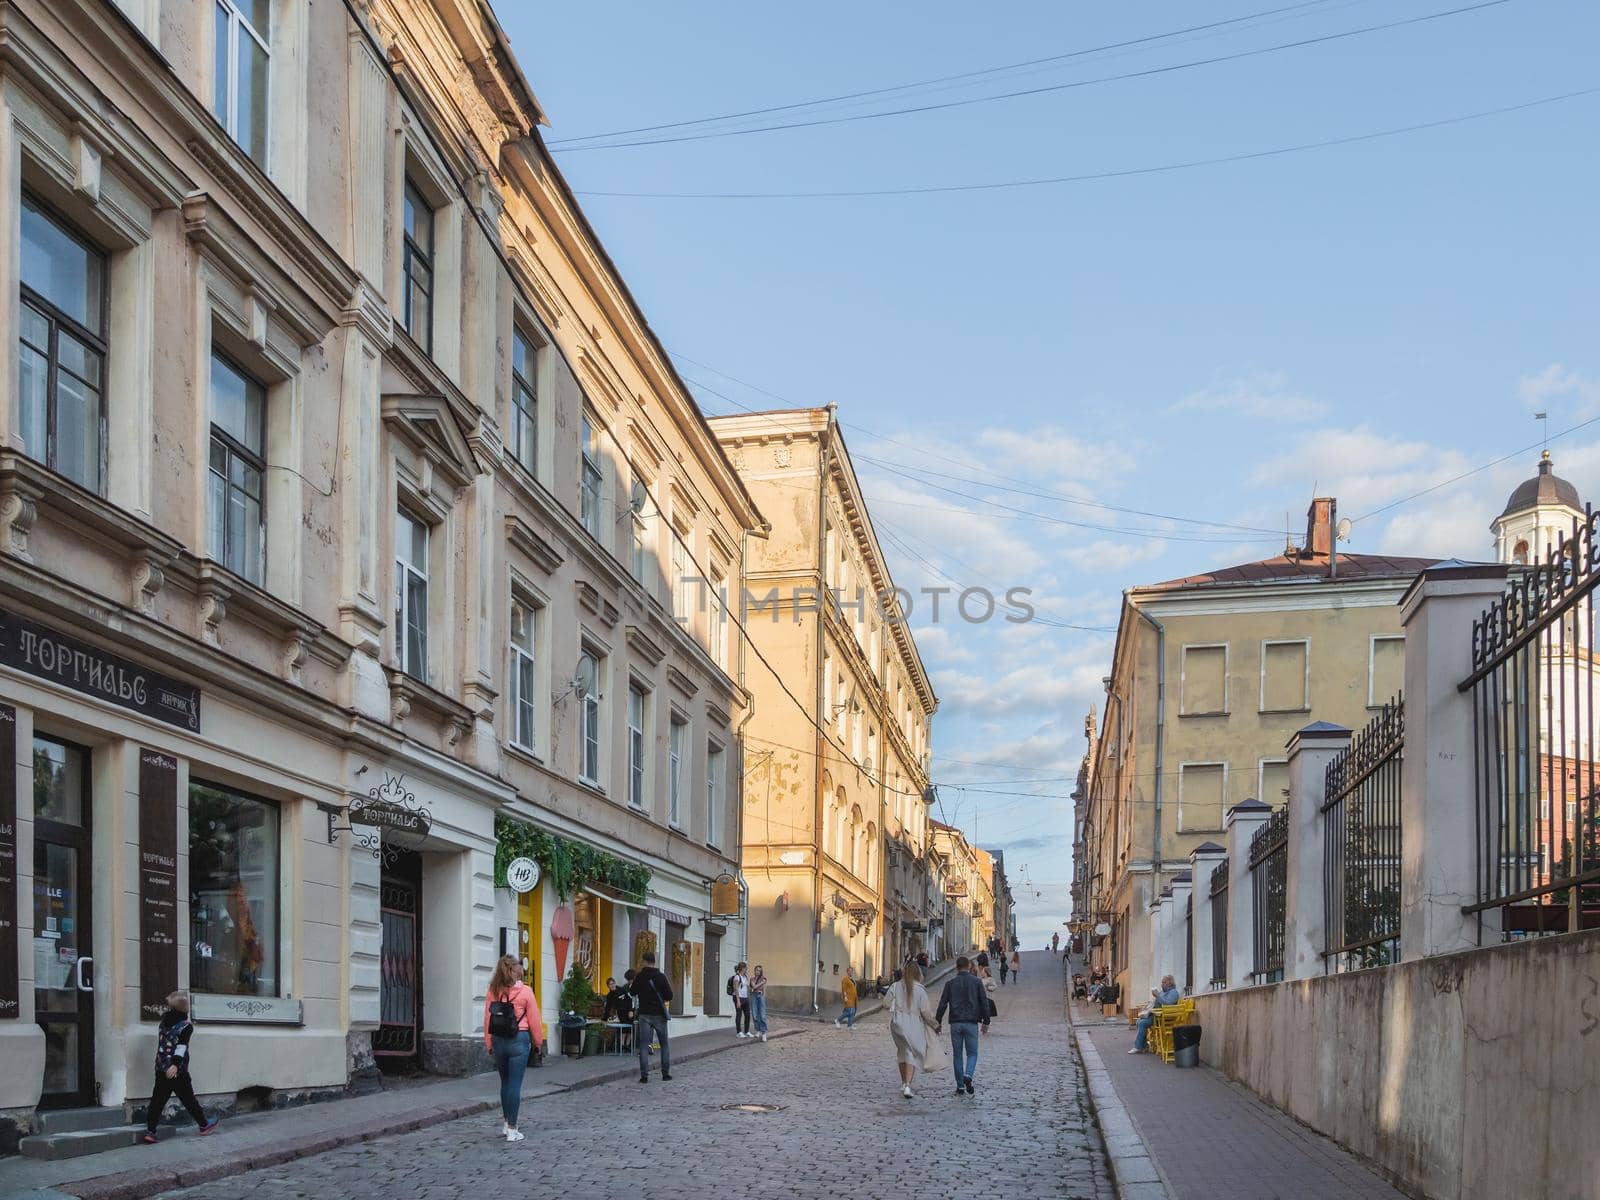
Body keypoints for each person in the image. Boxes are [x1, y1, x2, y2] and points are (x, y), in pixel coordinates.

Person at [140, 991, 220, 1144]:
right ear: (185, 1008)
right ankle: (204, 1125)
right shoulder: (186, 1027)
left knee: (157, 1100)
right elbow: (181, 1047)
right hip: (178, 1070)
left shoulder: (164, 1022)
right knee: (188, 1099)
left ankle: (151, 1131)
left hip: (161, 1067)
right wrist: (175, 1065)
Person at [482, 954, 542, 1142]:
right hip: (519, 1039)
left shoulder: (493, 990)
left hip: (499, 1039)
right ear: (516, 970)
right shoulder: (525, 991)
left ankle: (506, 1121)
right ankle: (513, 1128)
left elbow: (487, 1018)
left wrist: (488, 1042)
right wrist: (538, 1043)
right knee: (515, 1084)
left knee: (505, 1082)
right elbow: (534, 1021)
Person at [934, 956, 990, 1096]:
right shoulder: (977, 982)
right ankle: (968, 1075)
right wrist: (986, 1021)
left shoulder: (950, 983)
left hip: (955, 1023)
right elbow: (984, 1002)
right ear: (969, 966)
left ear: (956, 967)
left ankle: (960, 1086)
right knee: (972, 1053)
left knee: (957, 1055)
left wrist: (938, 1022)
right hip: (971, 1022)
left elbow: (942, 1004)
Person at [887, 960, 941, 1099]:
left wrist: (896, 1005)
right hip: (913, 1023)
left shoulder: (895, 986)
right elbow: (926, 1012)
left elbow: (885, 1003)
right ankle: (908, 1085)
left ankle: (903, 1082)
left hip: (897, 1023)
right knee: (911, 1053)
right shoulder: (920, 990)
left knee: (902, 1052)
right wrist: (935, 1025)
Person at [630, 950, 674, 1081]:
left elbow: (632, 992)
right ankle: (665, 1074)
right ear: (654, 962)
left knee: (644, 1045)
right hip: (659, 1015)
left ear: (644, 961)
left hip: (644, 1015)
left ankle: (644, 1076)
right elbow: (669, 996)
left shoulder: (639, 976)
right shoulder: (661, 976)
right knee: (663, 1044)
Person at [1130, 975, 1181, 1054]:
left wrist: (1157, 996)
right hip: (1156, 1015)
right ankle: (1143, 1046)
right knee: (1139, 1022)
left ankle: (1138, 1047)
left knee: (1142, 1023)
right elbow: (1157, 1002)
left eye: (1164, 982)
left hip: (1163, 1018)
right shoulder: (1163, 992)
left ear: (1170, 983)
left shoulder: (1173, 992)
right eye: (1162, 982)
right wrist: (1148, 1006)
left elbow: (1168, 1004)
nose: (1162, 984)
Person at [730, 962, 752, 1037]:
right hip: (738, 998)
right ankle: (739, 1032)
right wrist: (738, 1001)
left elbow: (747, 987)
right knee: (739, 1014)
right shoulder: (737, 977)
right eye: (746, 968)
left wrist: (748, 997)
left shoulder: (745, 977)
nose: (747, 969)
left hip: (745, 998)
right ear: (742, 968)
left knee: (747, 1015)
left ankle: (747, 1031)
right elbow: (736, 989)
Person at [750, 964, 769, 1042]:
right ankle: (758, 1030)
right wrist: (761, 983)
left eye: (759, 970)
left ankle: (764, 1033)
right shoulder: (752, 978)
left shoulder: (763, 978)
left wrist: (757, 985)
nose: (758, 971)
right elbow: (753, 987)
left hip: (760, 996)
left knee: (762, 1015)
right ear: (754, 971)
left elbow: (755, 987)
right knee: (754, 1014)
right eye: (756, 970)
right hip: (754, 996)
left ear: (761, 972)